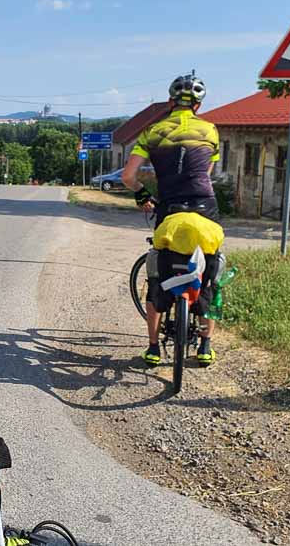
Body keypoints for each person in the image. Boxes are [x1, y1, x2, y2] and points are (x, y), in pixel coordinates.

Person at [121, 74, 222, 367]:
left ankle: (153, 348)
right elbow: (208, 174)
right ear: (199, 105)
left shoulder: (152, 131)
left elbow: (128, 177)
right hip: (204, 205)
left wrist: (142, 194)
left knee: (157, 271)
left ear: (170, 101)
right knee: (210, 274)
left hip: (170, 206)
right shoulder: (210, 131)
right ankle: (205, 344)